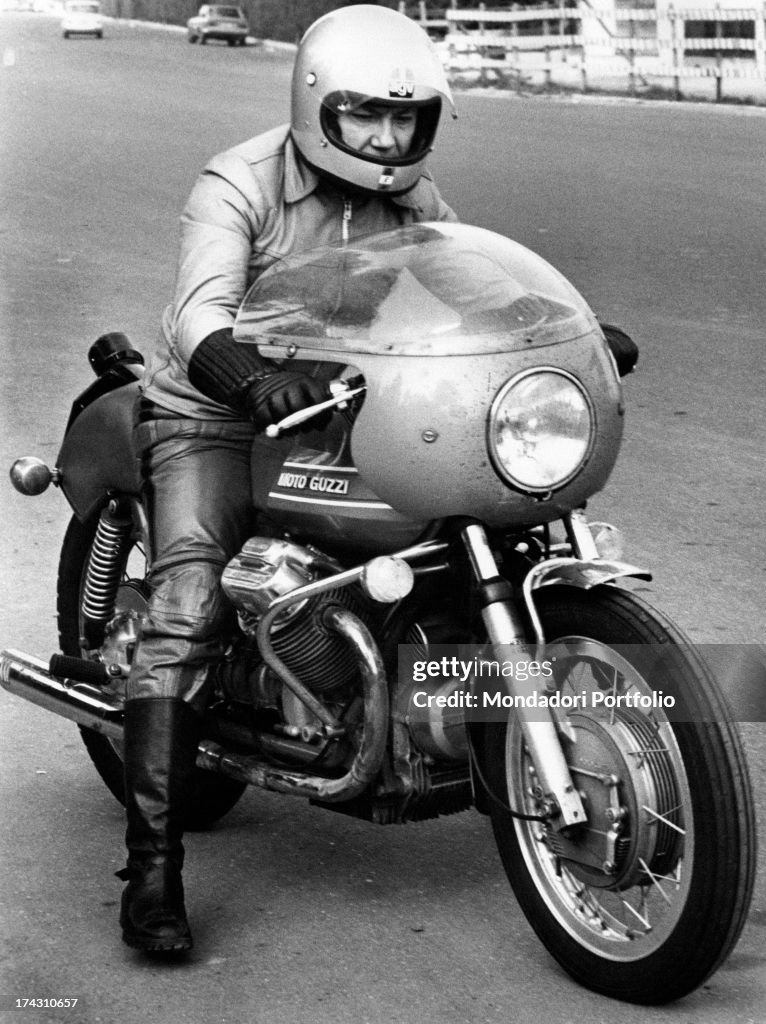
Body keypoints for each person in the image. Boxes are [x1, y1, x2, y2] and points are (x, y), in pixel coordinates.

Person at [117, 4, 457, 955]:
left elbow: (463, 285)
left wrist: (565, 330)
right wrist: (250, 380)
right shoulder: (240, 180)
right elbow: (198, 313)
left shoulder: (417, 199)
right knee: (187, 596)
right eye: (365, 118)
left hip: (343, 406)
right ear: (318, 107)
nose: (388, 139)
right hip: (216, 412)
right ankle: (151, 872)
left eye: (406, 120)